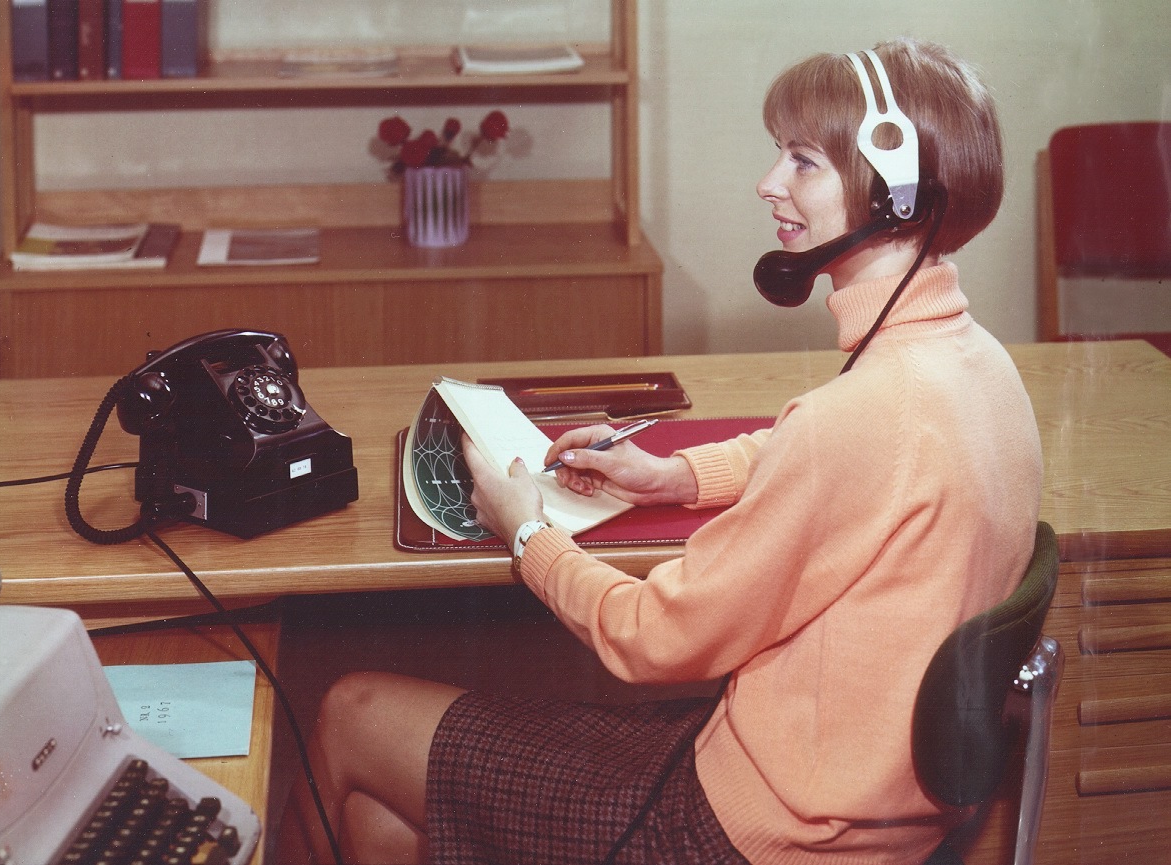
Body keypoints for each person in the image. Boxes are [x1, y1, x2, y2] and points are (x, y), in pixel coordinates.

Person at [281, 36, 1042, 865]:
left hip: (738, 834)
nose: (769, 184)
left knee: (350, 711)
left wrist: (528, 535)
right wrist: (675, 474)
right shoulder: (982, 368)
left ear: (893, 196)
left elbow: (651, 637)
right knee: (380, 823)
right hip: (856, 811)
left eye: (802, 161)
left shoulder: (853, 420)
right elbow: (858, 459)